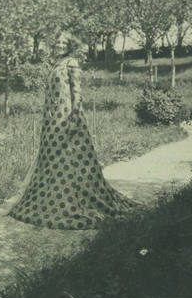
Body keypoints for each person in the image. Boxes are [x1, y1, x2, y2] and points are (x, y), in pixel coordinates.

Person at [8, 34, 135, 230]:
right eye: (57, 42)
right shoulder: (55, 63)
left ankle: (72, 199)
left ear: (70, 46)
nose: (59, 45)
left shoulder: (71, 63)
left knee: (70, 158)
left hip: (67, 118)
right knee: (52, 159)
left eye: (63, 43)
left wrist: (75, 119)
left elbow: (77, 93)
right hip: (52, 121)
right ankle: (50, 199)